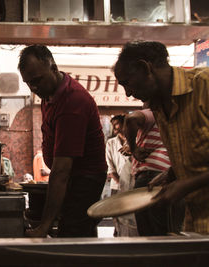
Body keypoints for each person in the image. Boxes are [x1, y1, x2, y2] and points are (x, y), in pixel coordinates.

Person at [114, 40, 209, 234]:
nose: (128, 93)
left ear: (145, 67)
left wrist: (188, 183)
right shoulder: (158, 106)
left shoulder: (204, 85)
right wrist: (174, 172)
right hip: (197, 223)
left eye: (127, 83)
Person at [18, 45, 107, 237]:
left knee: (73, 234)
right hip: (73, 177)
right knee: (78, 232)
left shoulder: (73, 103)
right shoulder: (48, 93)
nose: (33, 88)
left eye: (37, 80)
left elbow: (61, 171)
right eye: (28, 83)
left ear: (54, 68)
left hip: (85, 178)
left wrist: (43, 227)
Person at [121, 109, 184, 235]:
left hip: (152, 178)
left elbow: (131, 119)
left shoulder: (153, 112)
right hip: (167, 176)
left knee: (152, 234)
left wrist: (134, 148)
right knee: (165, 231)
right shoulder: (173, 117)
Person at [105, 114, 137, 237]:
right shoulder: (110, 143)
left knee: (131, 216)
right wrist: (121, 183)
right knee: (117, 215)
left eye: (118, 124)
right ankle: (118, 235)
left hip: (133, 185)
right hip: (116, 186)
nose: (116, 128)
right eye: (114, 126)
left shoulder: (135, 140)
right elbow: (110, 167)